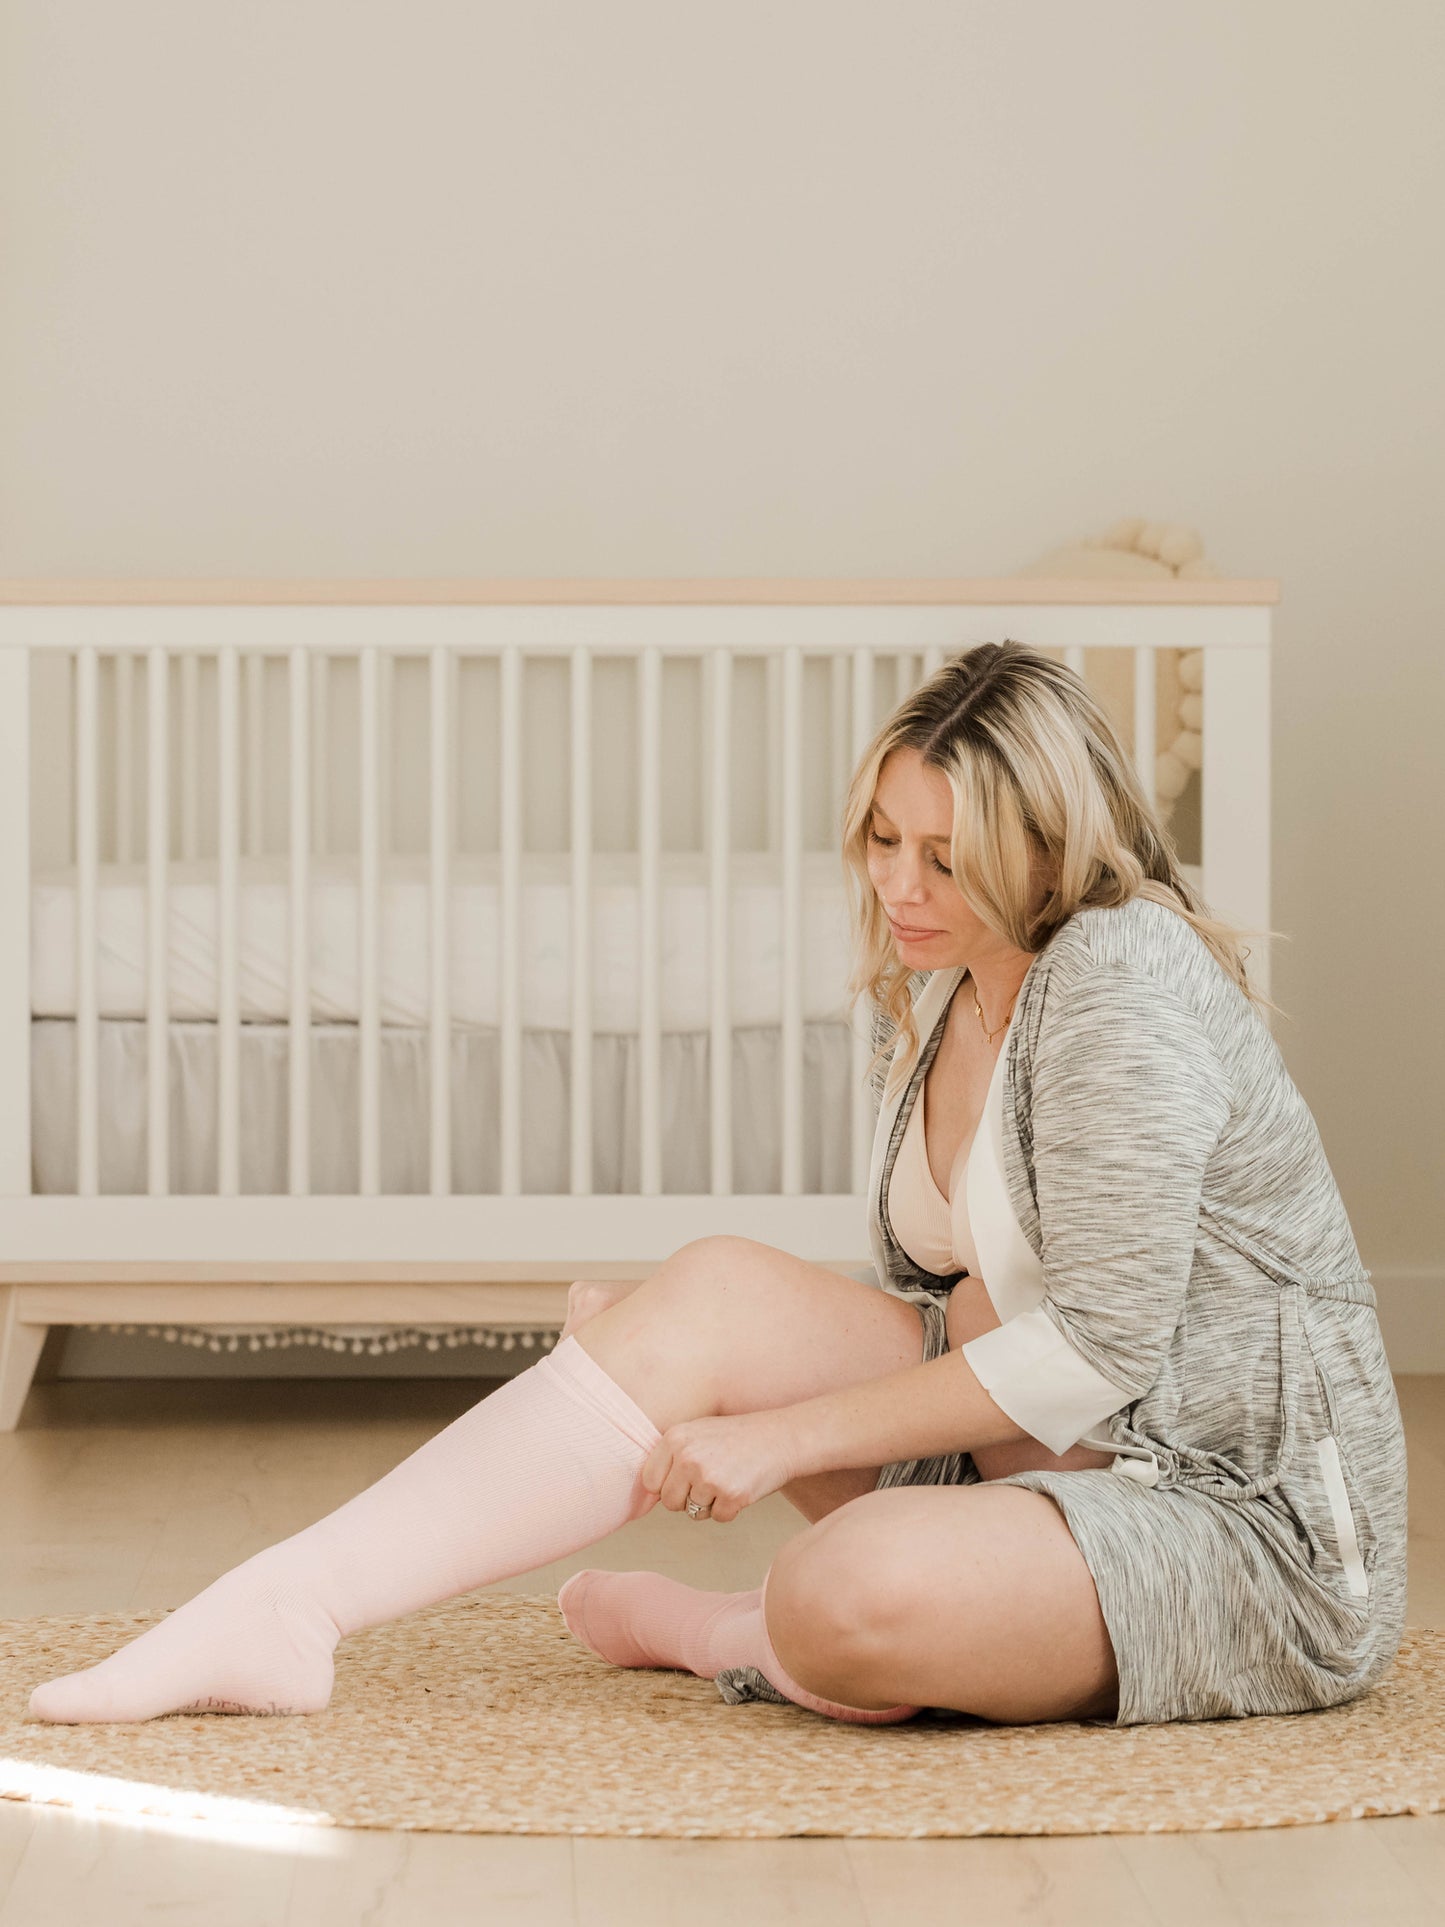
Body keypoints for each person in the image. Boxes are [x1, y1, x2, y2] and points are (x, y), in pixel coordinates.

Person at [26, 641, 1406, 1731]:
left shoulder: (1115, 973)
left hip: (1243, 1529)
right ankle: (285, 1608)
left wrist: (782, 1437)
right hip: (1072, 1454)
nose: (900, 886)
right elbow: (960, 1303)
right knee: (708, 1299)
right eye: (882, 838)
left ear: (1048, 847)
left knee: (839, 1594)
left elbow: (1100, 1338)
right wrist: (673, 1363)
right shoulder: (942, 992)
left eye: (946, 855)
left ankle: (734, 1633)